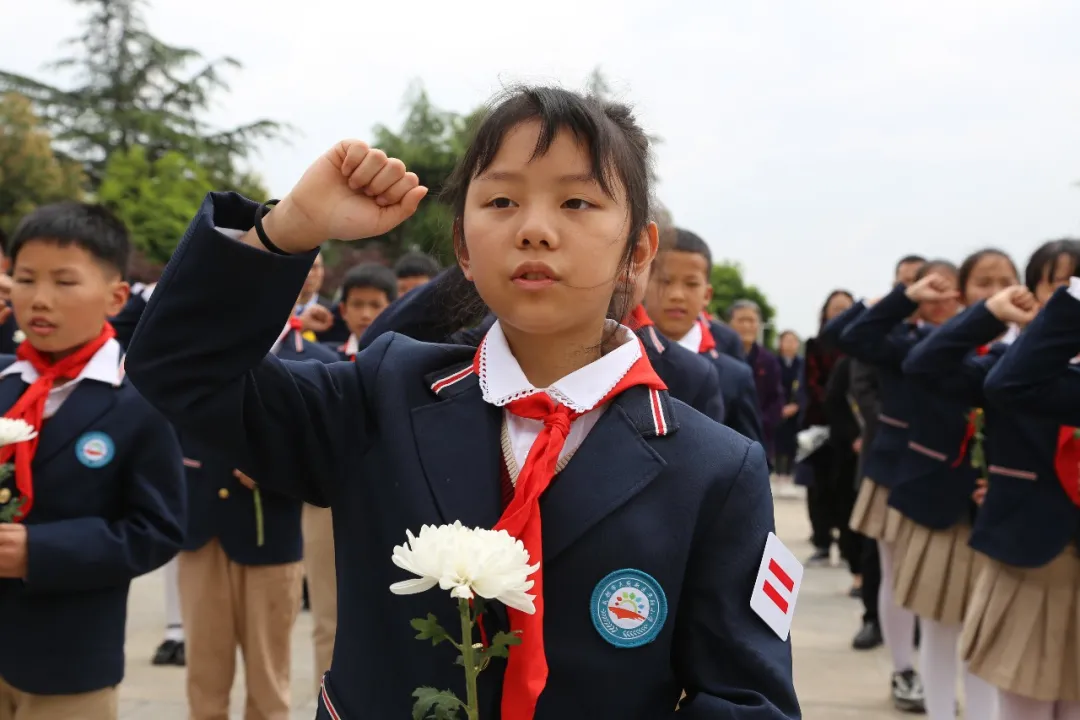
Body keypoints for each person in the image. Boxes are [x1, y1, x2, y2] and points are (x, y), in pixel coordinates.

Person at [125, 86, 800, 719]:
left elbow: (744, 700)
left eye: (578, 203)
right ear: (463, 249)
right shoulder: (382, 392)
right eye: (501, 202)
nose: (535, 229)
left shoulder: (715, 470)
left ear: (638, 251)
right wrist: (286, 232)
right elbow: (181, 371)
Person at [0, 202, 185, 720]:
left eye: (64, 282)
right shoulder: (4, 382)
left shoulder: (137, 403)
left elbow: (159, 530)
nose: (39, 299)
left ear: (116, 296)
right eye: (24, 278)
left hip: (68, 661)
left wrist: (38, 551)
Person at [913, 239, 1080, 720]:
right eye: (1060, 285)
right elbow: (925, 365)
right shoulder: (1011, 366)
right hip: (1029, 557)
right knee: (1023, 701)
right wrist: (988, 313)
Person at [865, 251, 1015, 720]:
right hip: (939, 503)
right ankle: (927, 697)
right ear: (961, 292)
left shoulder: (1030, 352)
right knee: (941, 628)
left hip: (1007, 516)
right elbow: (853, 338)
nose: (994, 291)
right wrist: (906, 296)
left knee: (989, 640)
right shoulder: (935, 346)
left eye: (1005, 282)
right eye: (982, 283)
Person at [644, 229, 764, 444]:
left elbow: (752, 459)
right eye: (665, 281)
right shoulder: (617, 355)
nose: (677, 295)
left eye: (691, 284)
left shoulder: (735, 376)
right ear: (643, 282)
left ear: (707, 295)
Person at [797, 290, 855, 567]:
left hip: (851, 428)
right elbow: (813, 383)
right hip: (820, 425)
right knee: (818, 487)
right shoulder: (815, 344)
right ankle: (821, 542)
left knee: (846, 488)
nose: (841, 313)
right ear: (826, 313)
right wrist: (833, 407)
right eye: (836, 308)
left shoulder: (859, 345)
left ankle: (847, 546)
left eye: (847, 308)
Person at [730, 300, 784, 461]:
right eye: (741, 320)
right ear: (729, 323)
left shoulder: (768, 360)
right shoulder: (718, 357)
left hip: (759, 437)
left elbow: (777, 399)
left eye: (751, 320)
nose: (747, 325)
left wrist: (760, 422)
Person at [329, 263, 398, 361]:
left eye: (376, 305)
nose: (365, 315)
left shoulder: (403, 361)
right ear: (343, 310)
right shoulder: (328, 361)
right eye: (357, 305)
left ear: (392, 310)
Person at [774, 330, 802, 484]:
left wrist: (797, 405)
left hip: (796, 409)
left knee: (793, 440)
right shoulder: (773, 362)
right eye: (787, 340)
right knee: (778, 440)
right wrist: (780, 407)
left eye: (793, 341)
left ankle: (790, 471)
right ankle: (777, 471)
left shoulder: (802, 364)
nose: (790, 344)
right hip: (778, 408)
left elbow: (806, 388)